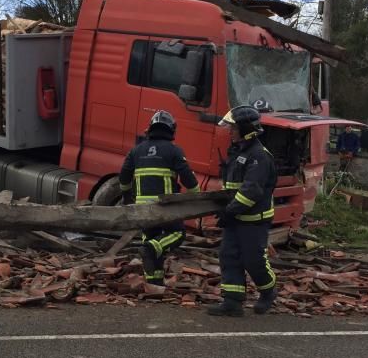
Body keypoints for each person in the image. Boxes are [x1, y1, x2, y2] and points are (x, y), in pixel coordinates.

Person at [209, 105, 278, 317]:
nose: (230, 131)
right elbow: (231, 187)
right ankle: (232, 302)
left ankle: (268, 292)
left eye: (233, 128)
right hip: (236, 217)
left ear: (246, 129)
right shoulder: (239, 151)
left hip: (253, 220)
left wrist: (229, 211)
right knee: (229, 257)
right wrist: (226, 210)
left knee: (253, 260)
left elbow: (251, 191)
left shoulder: (259, 156)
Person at [118, 110, 199, 285]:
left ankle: (154, 282)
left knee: (153, 239)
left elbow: (123, 177)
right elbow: (188, 179)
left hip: (143, 208)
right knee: (176, 234)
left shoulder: (136, 151)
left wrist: (127, 196)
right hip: (165, 206)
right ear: (171, 130)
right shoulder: (174, 150)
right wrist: (197, 197)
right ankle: (148, 250)